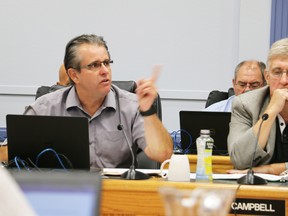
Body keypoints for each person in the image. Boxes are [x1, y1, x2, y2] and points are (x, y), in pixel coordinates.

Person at [24, 34, 173, 169]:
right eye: (94, 65)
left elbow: (163, 155)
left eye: (106, 63)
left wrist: (148, 110)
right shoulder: (46, 107)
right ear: (74, 75)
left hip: (116, 191)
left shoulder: (132, 106)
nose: (105, 71)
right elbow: (7, 153)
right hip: (63, 190)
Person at [228, 37, 288, 175]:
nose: (284, 81)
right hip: (260, 193)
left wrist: (269, 169)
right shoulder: (245, 104)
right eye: (277, 72)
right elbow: (240, 160)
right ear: (267, 77)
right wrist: (271, 111)